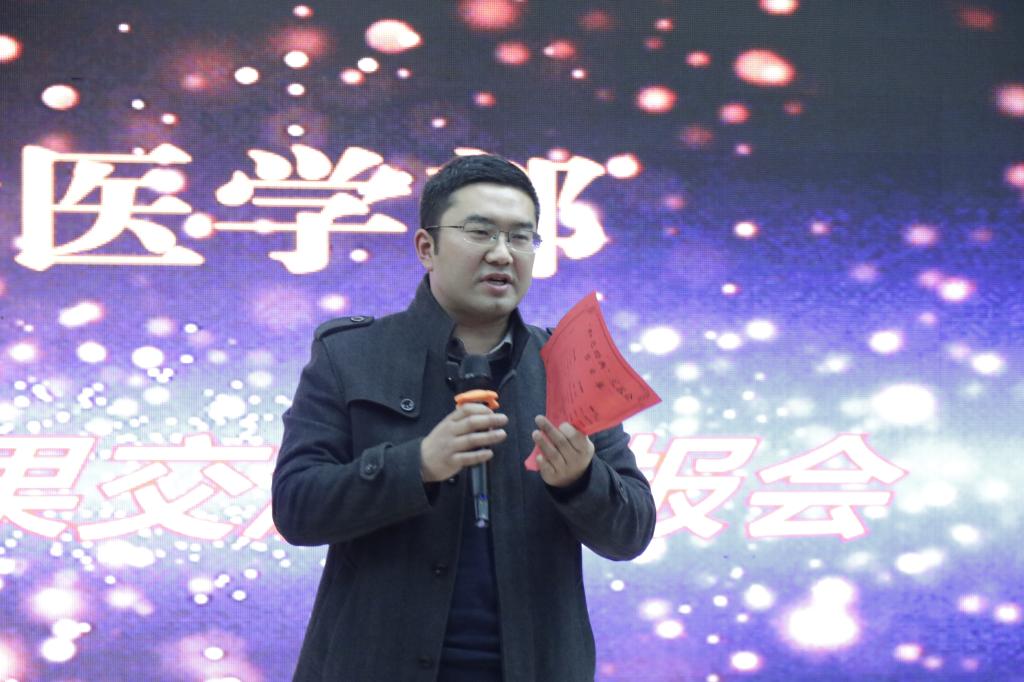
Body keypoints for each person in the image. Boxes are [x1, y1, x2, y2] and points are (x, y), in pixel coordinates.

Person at [272, 154, 656, 681]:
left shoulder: (570, 365)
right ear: (426, 247)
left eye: (521, 237)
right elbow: (296, 508)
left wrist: (581, 480)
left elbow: (631, 534)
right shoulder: (350, 355)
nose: (502, 253)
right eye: (480, 233)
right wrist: (417, 465)